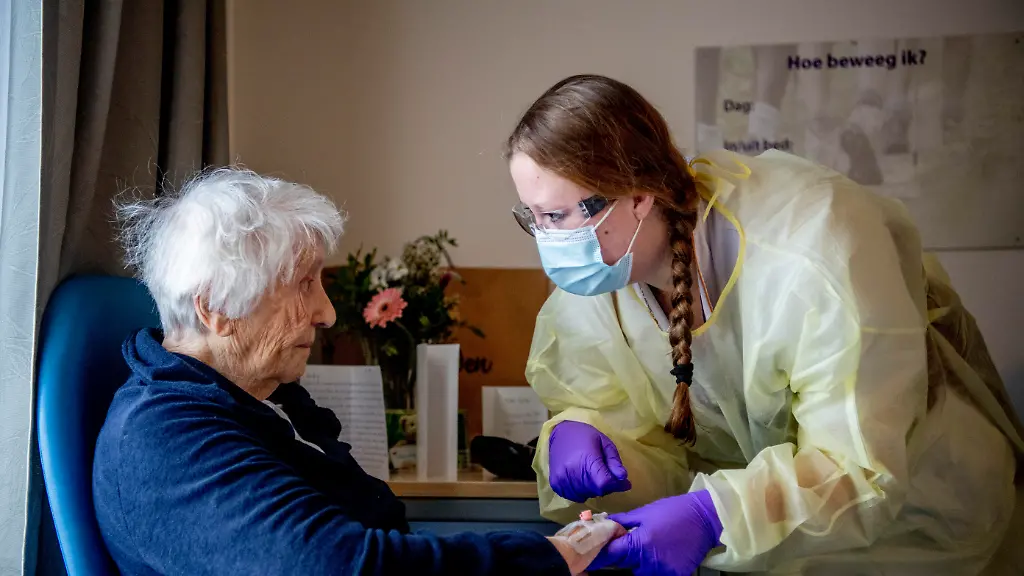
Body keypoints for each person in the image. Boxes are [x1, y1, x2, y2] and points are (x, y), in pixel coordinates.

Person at [504, 74, 1024, 575]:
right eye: (532, 217)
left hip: (920, 527)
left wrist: (715, 515)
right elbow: (629, 419)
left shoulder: (812, 250)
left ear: (639, 195)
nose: (547, 241)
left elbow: (859, 469)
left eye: (556, 217)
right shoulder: (603, 279)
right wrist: (583, 430)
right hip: (774, 545)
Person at [92, 167, 602, 575]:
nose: (328, 313)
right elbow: (338, 565)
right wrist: (545, 558)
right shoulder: (162, 437)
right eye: (303, 284)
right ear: (216, 309)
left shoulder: (261, 395)